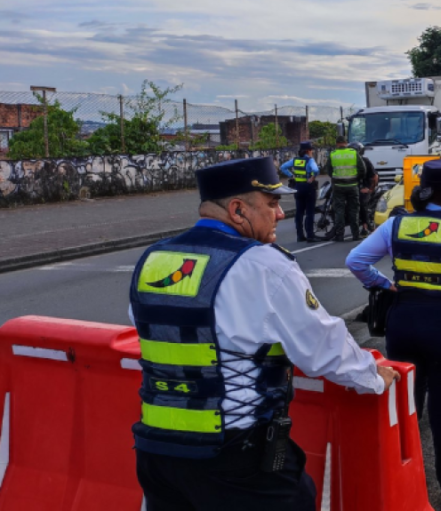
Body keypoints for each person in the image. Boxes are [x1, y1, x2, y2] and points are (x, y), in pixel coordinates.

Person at [129, 157, 399, 511]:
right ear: (238, 210)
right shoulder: (264, 265)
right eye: (271, 204)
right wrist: (373, 376)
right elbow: (321, 347)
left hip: (157, 454)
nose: (281, 214)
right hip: (237, 457)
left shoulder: (154, 259)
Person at [346, 159, 441, 511]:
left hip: (403, 323)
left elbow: (355, 261)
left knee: (405, 409)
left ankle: (398, 486)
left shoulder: (395, 225)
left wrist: (386, 285)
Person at [280, 141, 321, 242]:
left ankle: (300, 235)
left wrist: (291, 176)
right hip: (308, 188)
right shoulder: (310, 160)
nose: (312, 152)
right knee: (310, 212)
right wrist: (312, 177)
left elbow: (283, 167)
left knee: (299, 212)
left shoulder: (295, 160)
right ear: (308, 151)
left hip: (297, 188)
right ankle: (310, 235)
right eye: (311, 150)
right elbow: (315, 170)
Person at [329, 136, 367, 241]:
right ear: (346, 143)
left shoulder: (333, 154)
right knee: (354, 210)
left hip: (338, 187)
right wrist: (357, 179)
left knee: (339, 210)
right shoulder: (353, 153)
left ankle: (340, 235)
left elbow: (328, 170)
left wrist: (336, 178)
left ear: (337, 144)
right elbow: (362, 169)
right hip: (352, 186)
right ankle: (355, 235)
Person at [351, 142, 378, 235]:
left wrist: (370, 189)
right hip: (352, 188)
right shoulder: (348, 162)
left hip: (364, 189)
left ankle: (365, 227)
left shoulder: (365, 161)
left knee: (362, 204)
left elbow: (374, 176)